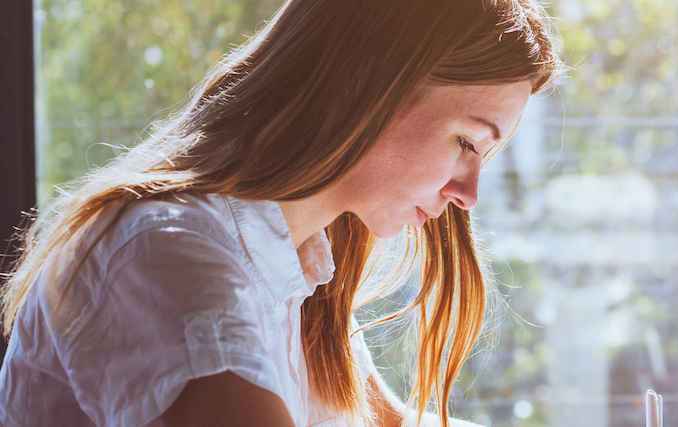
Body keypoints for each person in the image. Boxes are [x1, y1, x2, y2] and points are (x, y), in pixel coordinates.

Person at [0, 0, 561, 425]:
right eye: (467, 143)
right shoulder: (164, 257)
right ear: (366, 85)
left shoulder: (301, 275)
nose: (468, 194)